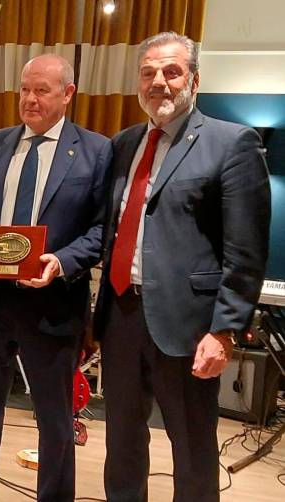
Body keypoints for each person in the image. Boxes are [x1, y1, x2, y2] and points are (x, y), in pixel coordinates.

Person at [94, 32, 270, 502]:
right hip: (122, 317)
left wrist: (225, 329)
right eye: (149, 73)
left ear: (193, 78)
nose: (159, 83)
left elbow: (246, 250)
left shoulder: (232, 143)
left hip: (190, 327)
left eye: (171, 71)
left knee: (191, 447)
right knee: (123, 442)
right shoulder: (124, 144)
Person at [0, 54, 111, 502]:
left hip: (53, 304)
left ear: (68, 94)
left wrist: (61, 261)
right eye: (25, 88)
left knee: (54, 420)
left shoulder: (97, 151)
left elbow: (103, 229)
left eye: (42, 90)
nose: (29, 99)